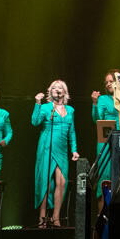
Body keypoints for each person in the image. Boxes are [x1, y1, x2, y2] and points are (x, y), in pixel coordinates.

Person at [33, 80, 79, 227]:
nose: (57, 90)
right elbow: (35, 122)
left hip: (62, 149)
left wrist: (74, 149)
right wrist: (37, 103)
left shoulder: (70, 110)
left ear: (64, 92)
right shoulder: (46, 107)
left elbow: (72, 131)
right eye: (54, 88)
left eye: (60, 88)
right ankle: (42, 218)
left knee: (62, 182)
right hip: (46, 146)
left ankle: (56, 217)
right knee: (45, 182)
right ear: (50, 92)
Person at [91, 69, 120, 211]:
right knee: (105, 177)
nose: (108, 84)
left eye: (111, 81)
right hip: (106, 141)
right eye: (106, 82)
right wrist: (95, 104)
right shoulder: (103, 99)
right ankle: (102, 217)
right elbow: (97, 119)